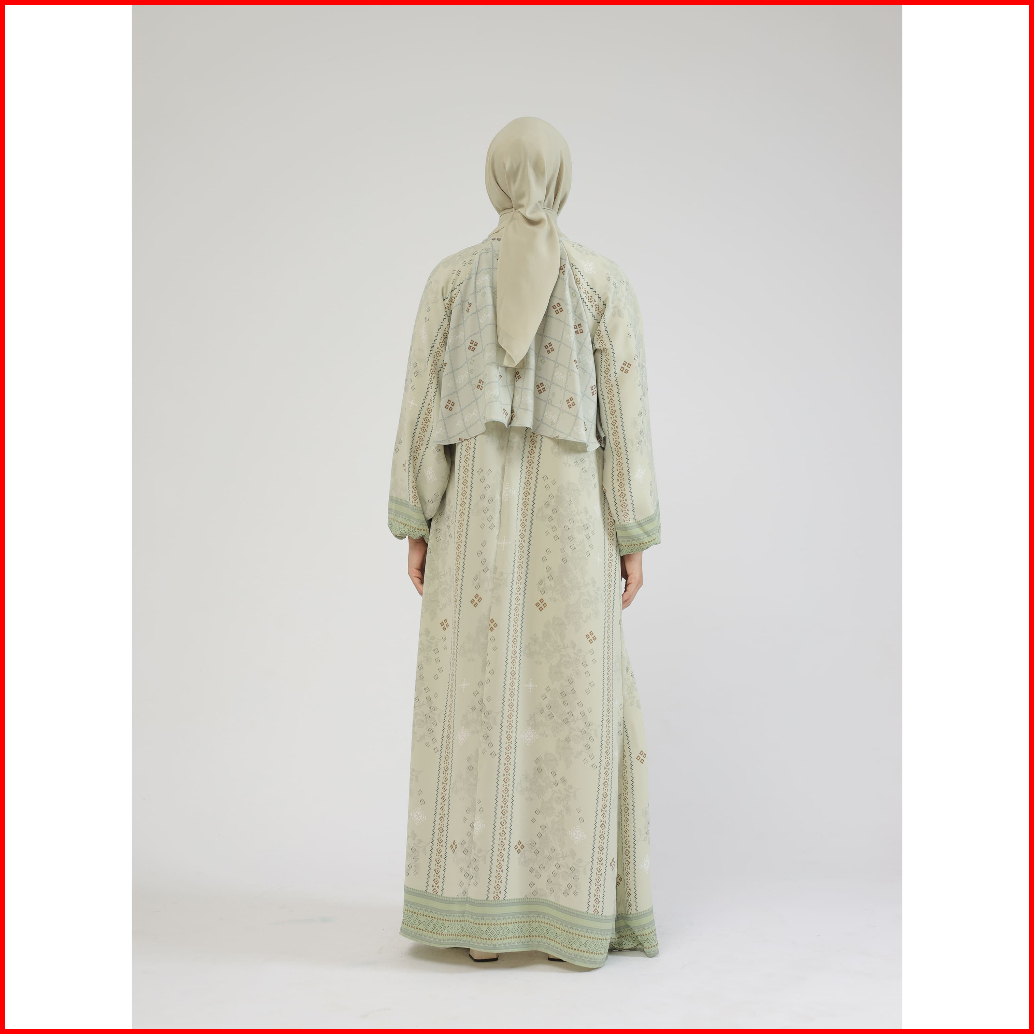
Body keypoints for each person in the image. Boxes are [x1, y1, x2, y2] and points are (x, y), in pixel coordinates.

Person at [387, 117, 661, 969]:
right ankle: (567, 918)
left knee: (478, 702)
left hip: (472, 530)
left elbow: (420, 410)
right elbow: (627, 420)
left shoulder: (450, 280)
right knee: (570, 707)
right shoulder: (601, 282)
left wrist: (417, 518)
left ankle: (482, 919)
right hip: (573, 531)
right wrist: (631, 533)